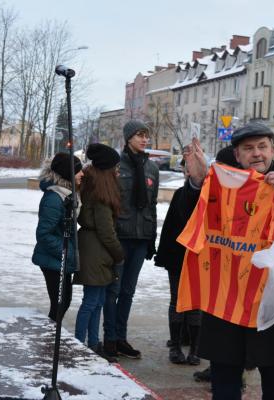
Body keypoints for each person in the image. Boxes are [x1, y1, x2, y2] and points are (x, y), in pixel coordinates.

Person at [179, 122, 274, 400]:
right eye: (248, 149)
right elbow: (190, 213)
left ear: (272, 149)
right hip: (227, 300)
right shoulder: (223, 181)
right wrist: (196, 181)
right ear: (237, 155)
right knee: (224, 383)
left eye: (262, 147)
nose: (256, 154)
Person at [103, 120, 159, 360]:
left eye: (146, 136)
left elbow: (152, 205)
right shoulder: (116, 167)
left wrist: (151, 237)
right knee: (113, 290)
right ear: (128, 138)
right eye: (139, 135)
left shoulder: (152, 168)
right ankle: (110, 340)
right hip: (120, 236)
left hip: (140, 238)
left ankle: (122, 337)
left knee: (128, 291)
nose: (144, 140)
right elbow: (109, 204)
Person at [74, 143, 123, 363]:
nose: (118, 171)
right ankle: (77, 345)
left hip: (96, 251)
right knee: (91, 302)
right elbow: (106, 232)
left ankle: (93, 344)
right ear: (107, 171)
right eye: (115, 168)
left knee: (98, 300)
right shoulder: (102, 196)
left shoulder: (96, 188)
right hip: (96, 252)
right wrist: (119, 253)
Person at [154, 159, 201, 366]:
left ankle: (195, 349)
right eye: (186, 169)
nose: (188, 172)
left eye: (190, 168)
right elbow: (170, 228)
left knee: (196, 304)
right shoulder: (180, 195)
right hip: (177, 258)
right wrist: (164, 255)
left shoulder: (209, 196)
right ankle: (176, 346)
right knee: (177, 301)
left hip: (200, 258)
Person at [32, 152, 83, 323]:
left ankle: (51, 336)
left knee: (63, 303)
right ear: (68, 173)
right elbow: (43, 234)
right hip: (53, 259)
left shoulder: (68, 194)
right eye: (78, 171)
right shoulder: (54, 198)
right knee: (60, 304)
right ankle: (50, 340)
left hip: (60, 259)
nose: (82, 174)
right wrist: (65, 252)